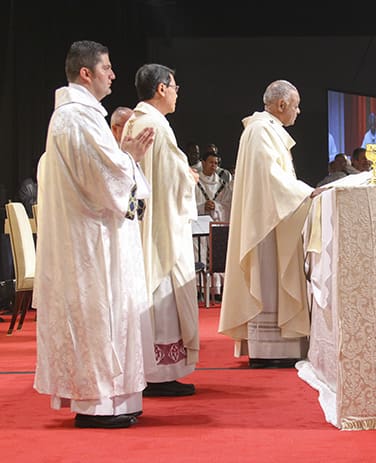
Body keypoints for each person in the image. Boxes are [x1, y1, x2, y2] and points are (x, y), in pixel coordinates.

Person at [33, 40, 155, 429]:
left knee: (107, 316)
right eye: (107, 68)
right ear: (86, 73)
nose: (113, 75)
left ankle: (116, 400)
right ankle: (99, 404)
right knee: (100, 315)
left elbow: (106, 169)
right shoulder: (77, 118)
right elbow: (107, 179)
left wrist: (122, 158)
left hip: (96, 235)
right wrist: (130, 158)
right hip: (92, 243)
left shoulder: (80, 117)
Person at [219, 79, 325, 368]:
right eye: (296, 105)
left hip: (275, 218)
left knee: (275, 282)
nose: (298, 111)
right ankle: (270, 350)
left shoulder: (268, 129)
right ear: (281, 105)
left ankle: (280, 348)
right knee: (268, 282)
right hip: (265, 226)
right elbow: (269, 178)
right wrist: (306, 193)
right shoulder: (260, 130)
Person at [128, 63, 199, 397]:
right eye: (174, 86)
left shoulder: (136, 120)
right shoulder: (155, 124)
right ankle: (160, 375)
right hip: (160, 228)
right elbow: (171, 179)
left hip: (146, 224)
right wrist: (190, 178)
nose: (176, 92)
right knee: (162, 298)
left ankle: (151, 370)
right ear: (160, 89)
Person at [195, 150, 233, 300]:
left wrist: (216, 206)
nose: (213, 166)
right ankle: (200, 289)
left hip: (215, 226)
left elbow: (228, 205)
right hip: (198, 227)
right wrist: (202, 206)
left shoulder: (223, 186)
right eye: (210, 162)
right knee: (200, 254)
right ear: (203, 163)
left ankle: (216, 290)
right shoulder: (195, 183)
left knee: (217, 255)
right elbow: (187, 203)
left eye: (216, 163)